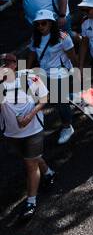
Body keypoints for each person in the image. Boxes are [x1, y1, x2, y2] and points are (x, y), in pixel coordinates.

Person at [0, 51, 54, 222]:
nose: (3, 68)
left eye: (6, 64)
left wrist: (30, 115)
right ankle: (49, 173)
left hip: (33, 129)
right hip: (10, 132)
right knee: (31, 157)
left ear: (14, 65)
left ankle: (31, 202)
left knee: (30, 164)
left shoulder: (29, 77)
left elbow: (45, 98)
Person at [25, 10, 76, 144]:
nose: (40, 26)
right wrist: (27, 69)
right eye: (38, 24)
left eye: (44, 23)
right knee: (44, 97)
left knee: (59, 100)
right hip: (43, 73)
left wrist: (77, 71)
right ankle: (72, 98)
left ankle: (67, 126)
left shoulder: (62, 37)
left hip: (60, 72)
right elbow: (31, 53)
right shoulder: (35, 37)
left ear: (51, 24)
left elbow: (71, 54)